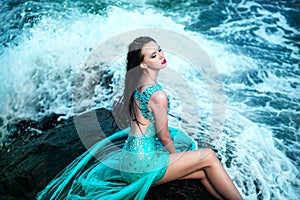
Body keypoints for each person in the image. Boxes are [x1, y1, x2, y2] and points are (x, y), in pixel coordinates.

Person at [37, 36, 243, 200]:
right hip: (142, 165)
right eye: (153, 55)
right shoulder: (157, 94)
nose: (161, 56)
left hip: (129, 159)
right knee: (207, 156)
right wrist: (175, 156)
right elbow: (164, 138)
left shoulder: (136, 85)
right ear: (143, 64)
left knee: (202, 171)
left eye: (159, 50)